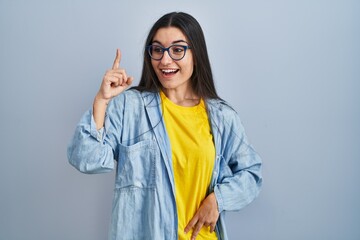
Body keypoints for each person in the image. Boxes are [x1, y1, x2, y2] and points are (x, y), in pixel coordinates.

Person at [67, 12, 262, 240]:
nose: (165, 60)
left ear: (196, 55)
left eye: (177, 50)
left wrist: (219, 200)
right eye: (158, 50)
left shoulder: (221, 117)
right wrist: (101, 100)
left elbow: (251, 174)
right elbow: (87, 159)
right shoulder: (130, 107)